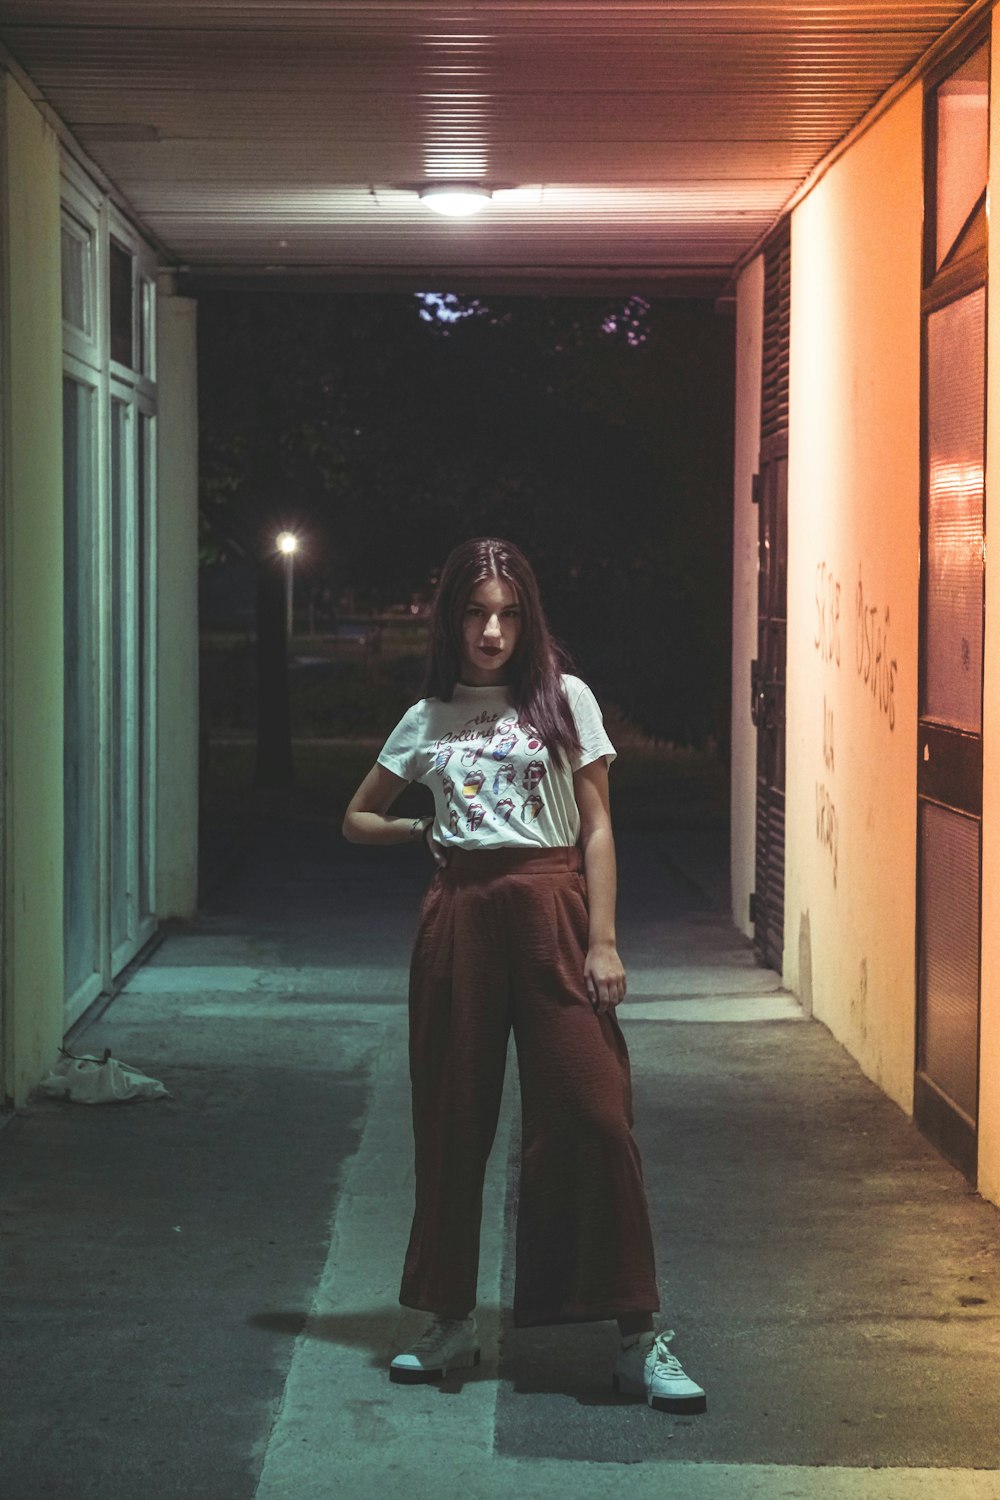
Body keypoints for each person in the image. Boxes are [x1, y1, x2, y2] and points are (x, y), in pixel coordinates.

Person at [343, 537, 705, 1414]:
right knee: (451, 1119)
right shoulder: (429, 715)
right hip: (460, 916)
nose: (492, 630)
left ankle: (637, 1335)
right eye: (476, 612)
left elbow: (598, 828)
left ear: (527, 615)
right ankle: (449, 1320)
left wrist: (605, 939)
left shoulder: (563, 699)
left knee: (593, 1111)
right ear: (453, 618)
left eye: (507, 612)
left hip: (552, 907)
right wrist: (417, 832)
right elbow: (358, 816)